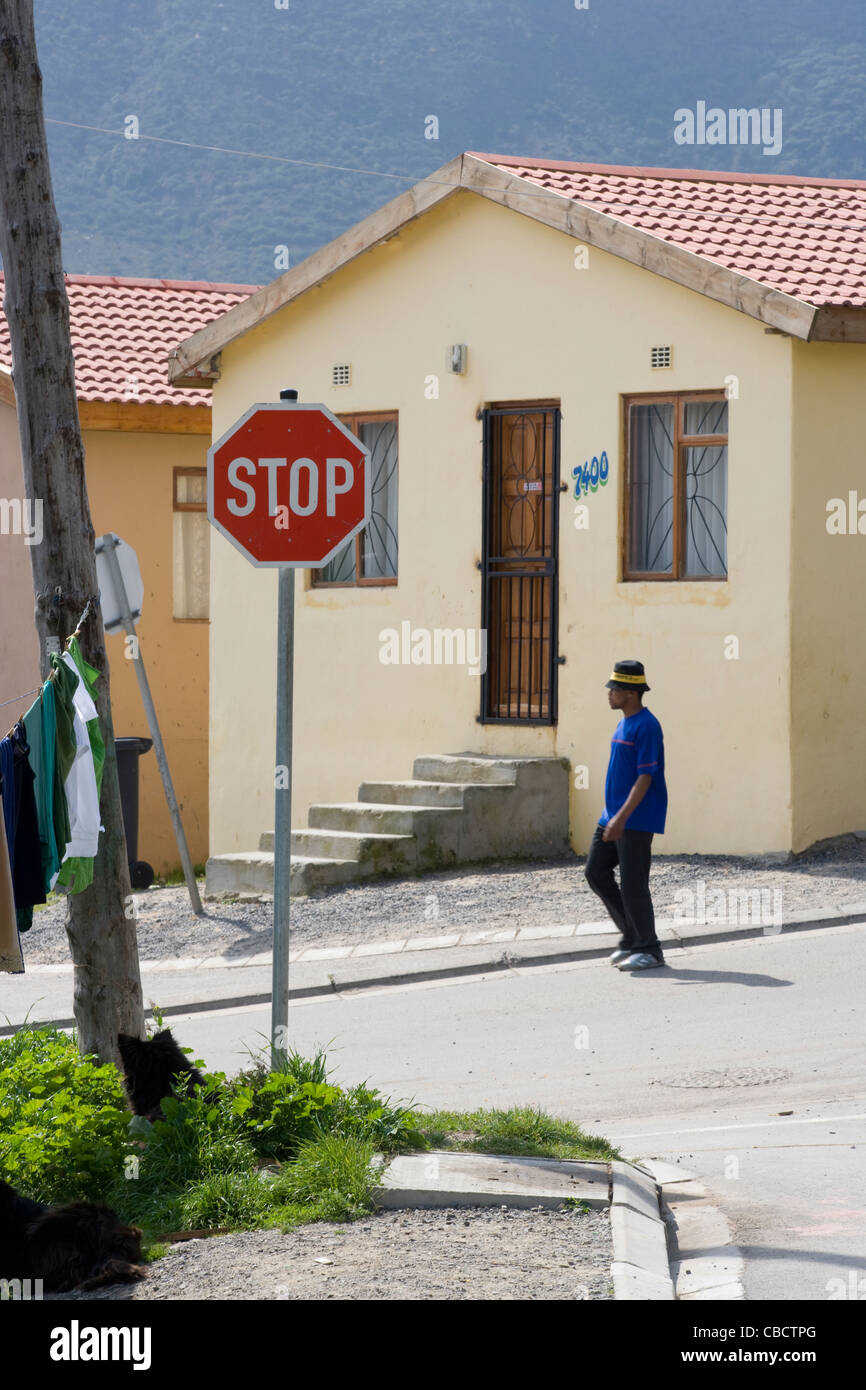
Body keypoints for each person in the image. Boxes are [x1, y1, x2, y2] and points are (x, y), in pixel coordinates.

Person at [585, 659, 667, 971]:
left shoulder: (647, 726)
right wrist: (612, 816)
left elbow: (645, 778)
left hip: (635, 818)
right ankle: (633, 938)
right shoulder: (624, 722)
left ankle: (650, 948)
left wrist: (621, 818)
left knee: (634, 884)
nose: (609, 694)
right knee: (596, 872)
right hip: (613, 816)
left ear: (631, 693)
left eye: (615, 689)